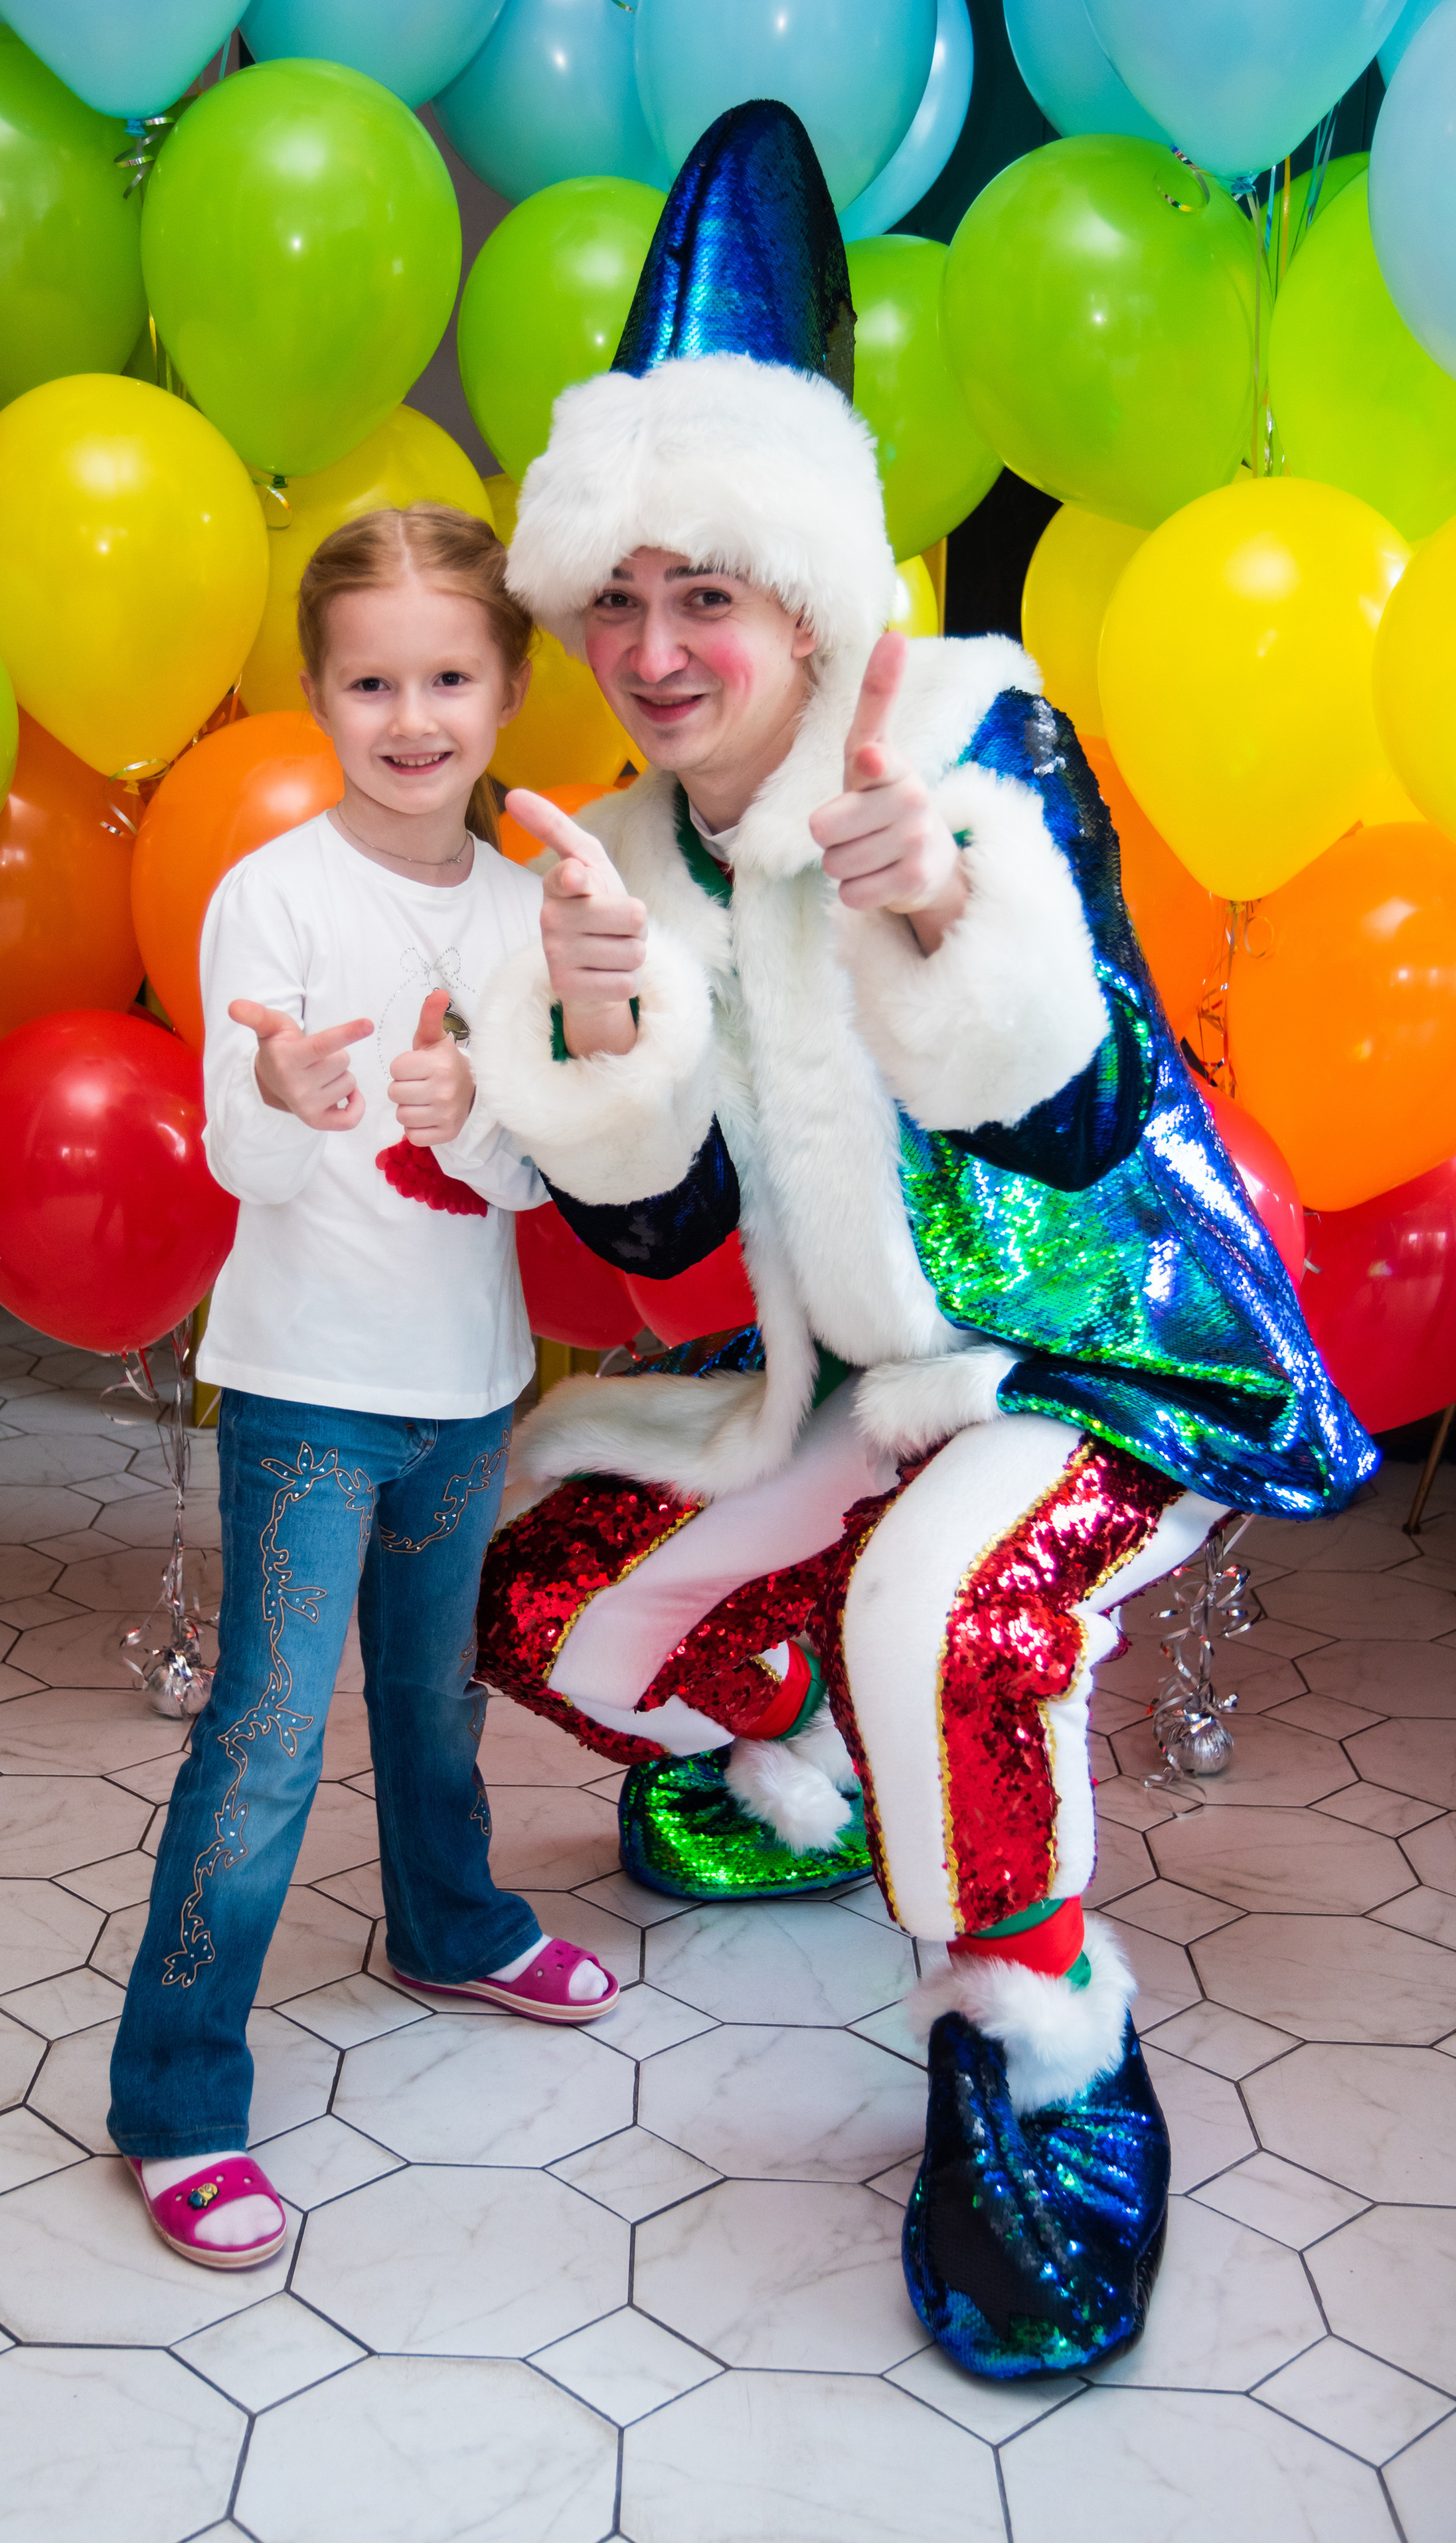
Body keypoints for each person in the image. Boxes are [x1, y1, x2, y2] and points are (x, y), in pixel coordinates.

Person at [467, 104, 1378, 2378]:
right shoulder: (625, 845)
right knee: (554, 1603)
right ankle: (832, 1785)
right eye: (625, 603)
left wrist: (950, 905)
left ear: (805, 591)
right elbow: (669, 1227)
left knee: (947, 1607)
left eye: (710, 596)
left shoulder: (970, 730)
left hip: (1103, 1351)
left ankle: (1043, 2046)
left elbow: (1079, 1113)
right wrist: (599, 1033)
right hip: (865, 1386)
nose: (660, 655)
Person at [108, 503, 620, 2275]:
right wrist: (302, 1099)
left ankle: (448, 1921)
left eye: (451, 677)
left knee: (432, 1689)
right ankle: (175, 2091)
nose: (414, 716)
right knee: (261, 1740)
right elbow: (240, 1150)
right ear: (319, 692)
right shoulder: (276, 892)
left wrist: (466, 1117)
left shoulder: (519, 914)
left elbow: (537, 1174)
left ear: (507, 688)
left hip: (467, 1385)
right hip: (308, 1393)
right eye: (373, 681)